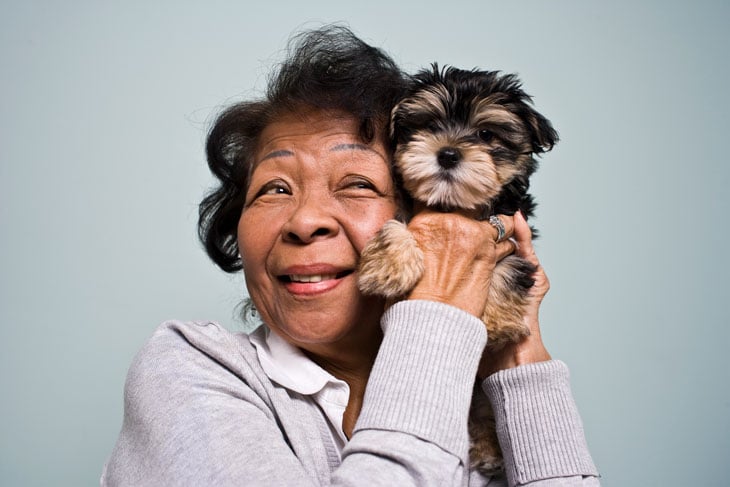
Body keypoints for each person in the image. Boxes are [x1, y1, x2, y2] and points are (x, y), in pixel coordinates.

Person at [102, 26, 599, 486]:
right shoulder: (189, 370)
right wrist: (441, 317)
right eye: (274, 189)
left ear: (426, 209)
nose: (304, 220)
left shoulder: (490, 405)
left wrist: (518, 361)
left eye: (357, 184)